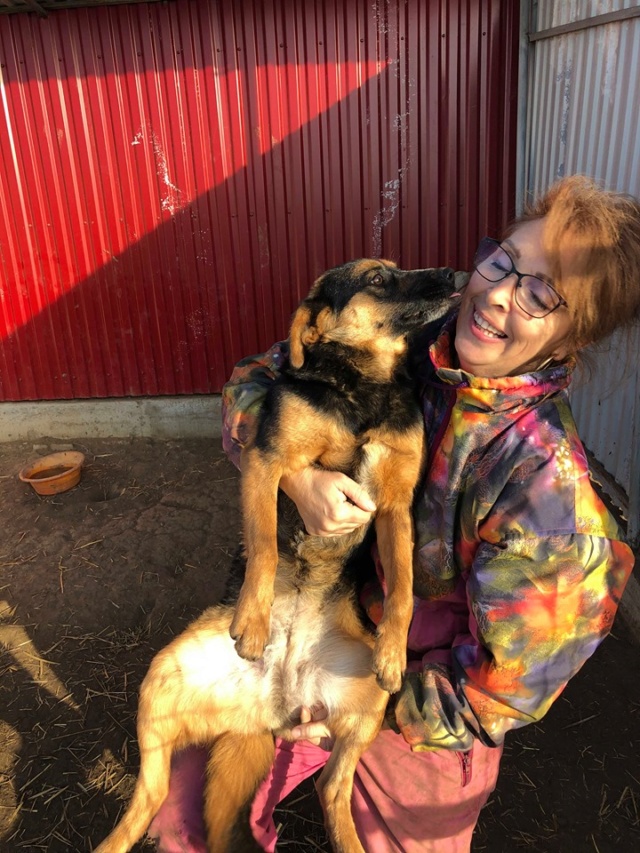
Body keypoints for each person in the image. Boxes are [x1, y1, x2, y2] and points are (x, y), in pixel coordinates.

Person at [148, 175, 640, 852]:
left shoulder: (553, 499)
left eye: (539, 293)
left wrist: (339, 709)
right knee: (184, 814)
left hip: (412, 709)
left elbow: (493, 692)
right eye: (501, 261)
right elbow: (252, 384)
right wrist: (296, 477)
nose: (498, 293)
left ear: (567, 337)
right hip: (315, 613)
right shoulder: (407, 334)